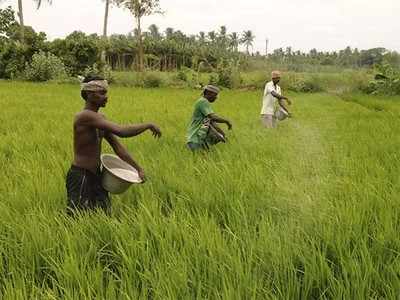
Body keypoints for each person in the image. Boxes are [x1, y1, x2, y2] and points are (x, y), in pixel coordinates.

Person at [66, 75, 162, 214]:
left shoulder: (100, 119)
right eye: (102, 93)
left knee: (103, 213)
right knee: (77, 217)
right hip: (81, 175)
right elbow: (121, 131)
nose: (106, 97)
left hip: (96, 175)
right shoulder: (84, 117)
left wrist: (137, 169)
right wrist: (148, 125)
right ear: (89, 94)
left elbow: (117, 147)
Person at [186, 85, 232, 151]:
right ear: (208, 93)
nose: (216, 97)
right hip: (196, 138)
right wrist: (227, 121)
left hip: (200, 139)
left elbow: (212, 122)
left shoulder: (204, 103)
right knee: (200, 159)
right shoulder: (203, 102)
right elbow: (212, 117)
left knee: (204, 158)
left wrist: (223, 135)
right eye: (215, 95)